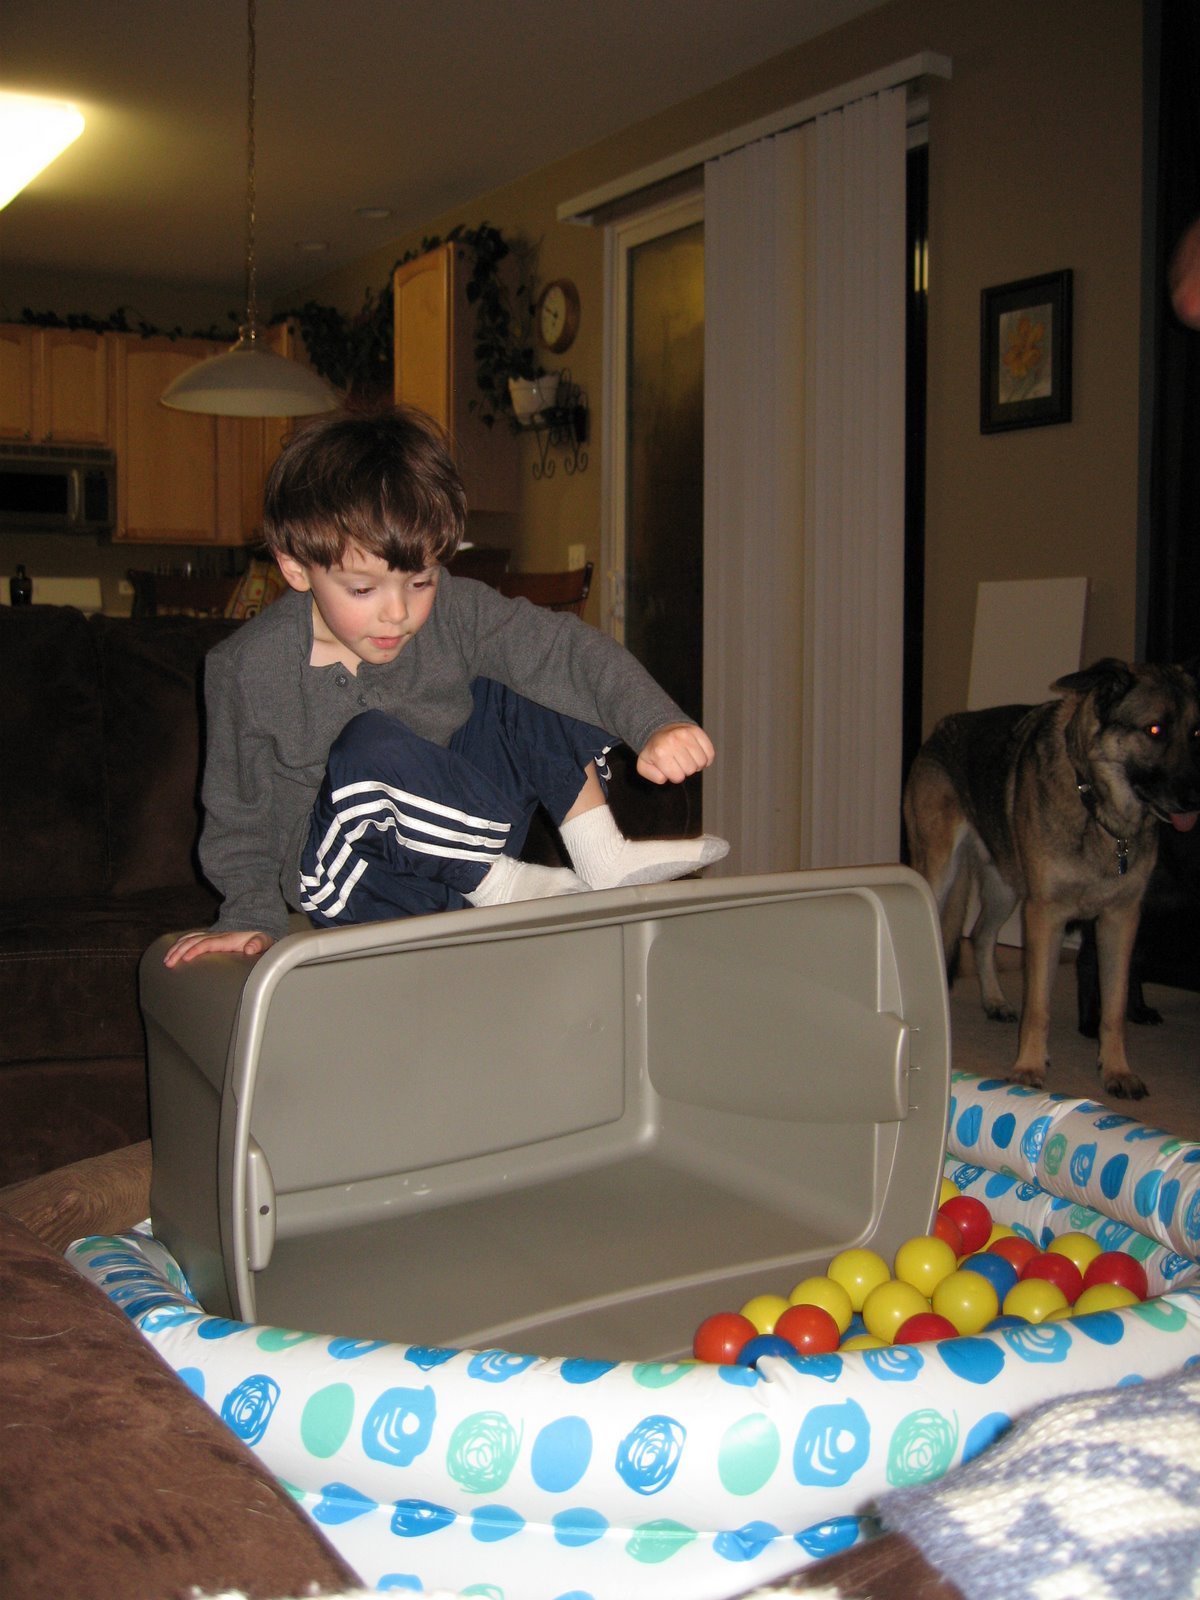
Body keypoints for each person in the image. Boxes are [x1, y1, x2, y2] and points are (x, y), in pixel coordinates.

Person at [164, 406, 727, 966]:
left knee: (524, 676)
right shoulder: (246, 669)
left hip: (466, 853)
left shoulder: (455, 612)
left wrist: (655, 721)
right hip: (357, 878)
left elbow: (562, 650)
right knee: (368, 740)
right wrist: (247, 916)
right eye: (363, 590)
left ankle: (600, 854)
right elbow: (239, 816)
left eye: (421, 582)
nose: (398, 613)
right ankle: (503, 887)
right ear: (295, 568)